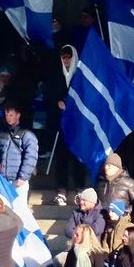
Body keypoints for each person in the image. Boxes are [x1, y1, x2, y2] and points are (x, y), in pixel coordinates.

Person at [48, 46, 83, 204]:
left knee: (77, 157)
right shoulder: (56, 75)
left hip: (77, 125)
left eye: (69, 56)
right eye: (63, 57)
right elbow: (49, 95)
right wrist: (58, 102)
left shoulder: (80, 75)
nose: (66, 60)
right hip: (61, 124)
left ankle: (79, 188)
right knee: (61, 158)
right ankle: (61, 190)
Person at [0, 103, 38, 206]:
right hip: (3, 179)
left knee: (19, 209)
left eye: (11, 115)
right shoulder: (2, 132)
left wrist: (23, 177)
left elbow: (31, 158)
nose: (8, 118)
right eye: (7, 115)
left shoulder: (27, 134)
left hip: (18, 180)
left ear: (18, 115)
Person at [98, 153, 134, 251]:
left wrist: (127, 214)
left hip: (121, 224)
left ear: (117, 167)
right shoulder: (101, 182)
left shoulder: (129, 183)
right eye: (105, 165)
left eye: (109, 165)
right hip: (103, 223)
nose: (106, 167)